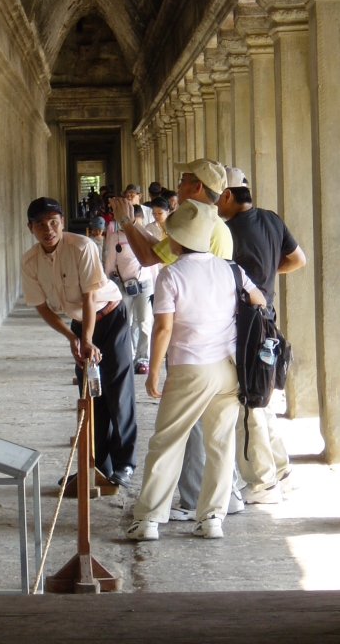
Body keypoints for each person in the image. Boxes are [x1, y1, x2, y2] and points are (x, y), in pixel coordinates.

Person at [126, 199, 265, 542]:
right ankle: (212, 519)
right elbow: (259, 301)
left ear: (177, 239)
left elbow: (163, 329)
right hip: (228, 369)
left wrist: (154, 371)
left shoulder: (171, 274)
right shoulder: (231, 269)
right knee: (220, 444)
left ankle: (148, 521)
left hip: (190, 369)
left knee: (167, 442)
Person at [111, 160, 241, 521]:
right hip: (222, 358)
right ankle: (214, 510)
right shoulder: (209, 235)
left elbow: (152, 258)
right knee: (217, 440)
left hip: (193, 357)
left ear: (197, 187)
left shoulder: (193, 241)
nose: (178, 185)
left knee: (175, 438)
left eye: (185, 180)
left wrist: (127, 223)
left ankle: (156, 515)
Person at [20, 197, 137, 488]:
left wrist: (86, 339)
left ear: (61, 222)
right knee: (91, 395)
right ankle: (96, 465)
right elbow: (41, 305)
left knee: (117, 390)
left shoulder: (82, 247)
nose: (48, 229)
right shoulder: (30, 261)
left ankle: (124, 465)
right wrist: (73, 337)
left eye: (54, 222)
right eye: (40, 224)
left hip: (109, 316)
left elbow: (89, 296)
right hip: (80, 322)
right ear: (30, 228)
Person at [217, 167, 306, 504]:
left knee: (248, 403)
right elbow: (299, 259)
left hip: (245, 325)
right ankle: (281, 471)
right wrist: (266, 275)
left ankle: (261, 483)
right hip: (267, 319)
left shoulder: (227, 231)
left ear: (227, 195)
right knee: (262, 399)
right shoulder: (271, 218)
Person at [105, 205, 154, 375]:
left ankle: (143, 359)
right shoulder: (115, 238)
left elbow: (154, 264)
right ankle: (128, 354)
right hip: (123, 285)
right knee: (126, 321)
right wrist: (107, 285)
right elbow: (110, 263)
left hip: (145, 284)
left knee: (144, 322)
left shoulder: (148, 236)